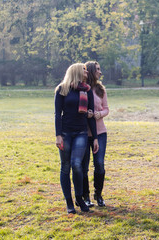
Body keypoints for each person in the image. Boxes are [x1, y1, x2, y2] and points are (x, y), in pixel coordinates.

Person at [54, 63, 99, 213]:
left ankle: (79, 197)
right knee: (65, 167)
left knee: (77, 165)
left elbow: (91, 116)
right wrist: (58, 135)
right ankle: (69, 202)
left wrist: (95, 138)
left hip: (81, 133)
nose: (87, 72)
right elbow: (57, 114)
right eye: (84, 70)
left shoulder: (87, 91)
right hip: (65, 133)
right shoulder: (62, 89)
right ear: (76, 72)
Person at [80, 61, 109, 207]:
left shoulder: (100, 89)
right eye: (98, 69)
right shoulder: (82, 89)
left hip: (100, 132)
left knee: (99, 164)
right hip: (85, 133)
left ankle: (98, 194)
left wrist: (98, 114)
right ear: (91, 71)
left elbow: (106, 109)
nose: (100, 72)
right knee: (84, 166)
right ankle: (85, 196)